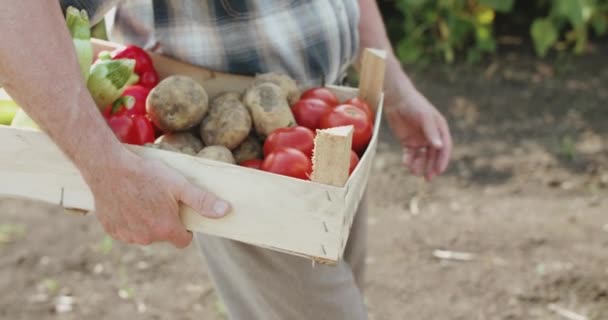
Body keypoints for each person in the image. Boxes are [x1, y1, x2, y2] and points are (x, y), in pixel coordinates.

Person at [0, 1, 452, 319]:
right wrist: (103, 167)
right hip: (242, 164)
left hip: (333, 127)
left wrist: (393, 85)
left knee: (338, 295)